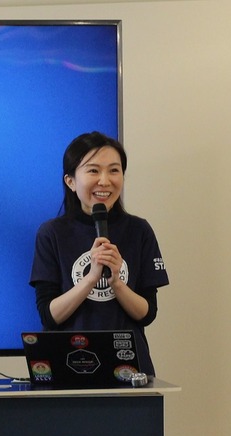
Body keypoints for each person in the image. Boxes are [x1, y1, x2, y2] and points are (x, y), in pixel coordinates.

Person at [29, 132, 169, 375]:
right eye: (93, 171)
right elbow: (49, 315)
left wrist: (117, 282)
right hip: (68, 369)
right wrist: (91, 278)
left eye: (114, 170)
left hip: (128, 368)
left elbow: (147, 313)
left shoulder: (139, 230)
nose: (105, 181)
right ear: (71, 181)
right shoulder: (52, 233)